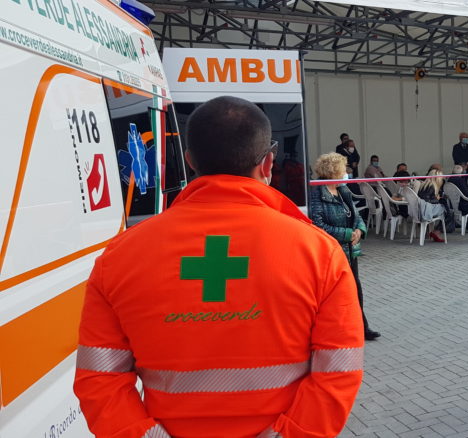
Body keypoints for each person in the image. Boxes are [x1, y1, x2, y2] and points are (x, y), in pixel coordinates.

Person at [74, 96, 364, 437]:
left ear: (190, 160)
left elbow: (99, 379)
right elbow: (338, 372)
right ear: (268, 164)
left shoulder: (119, 257)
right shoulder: (320, 253)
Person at [309, 153, 381, 341]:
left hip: (350, 251)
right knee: (334, 293)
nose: (346, 172)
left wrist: (360, 231)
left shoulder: (343, 190)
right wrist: (348, 234)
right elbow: (318, 225)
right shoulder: (316, 193)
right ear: (333, 171)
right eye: (343, 169)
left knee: (355, 288)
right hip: (332, 252)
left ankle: (362, 327)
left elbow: (356, 216)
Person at [416, 169, 448, 242]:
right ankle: (437, 231)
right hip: (427, 210)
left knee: (446, 210)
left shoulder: (423, 185)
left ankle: (435, 231)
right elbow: (427, 201)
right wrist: (437, 199)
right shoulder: (432, 186)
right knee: (448, 212)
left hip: (421, 209)